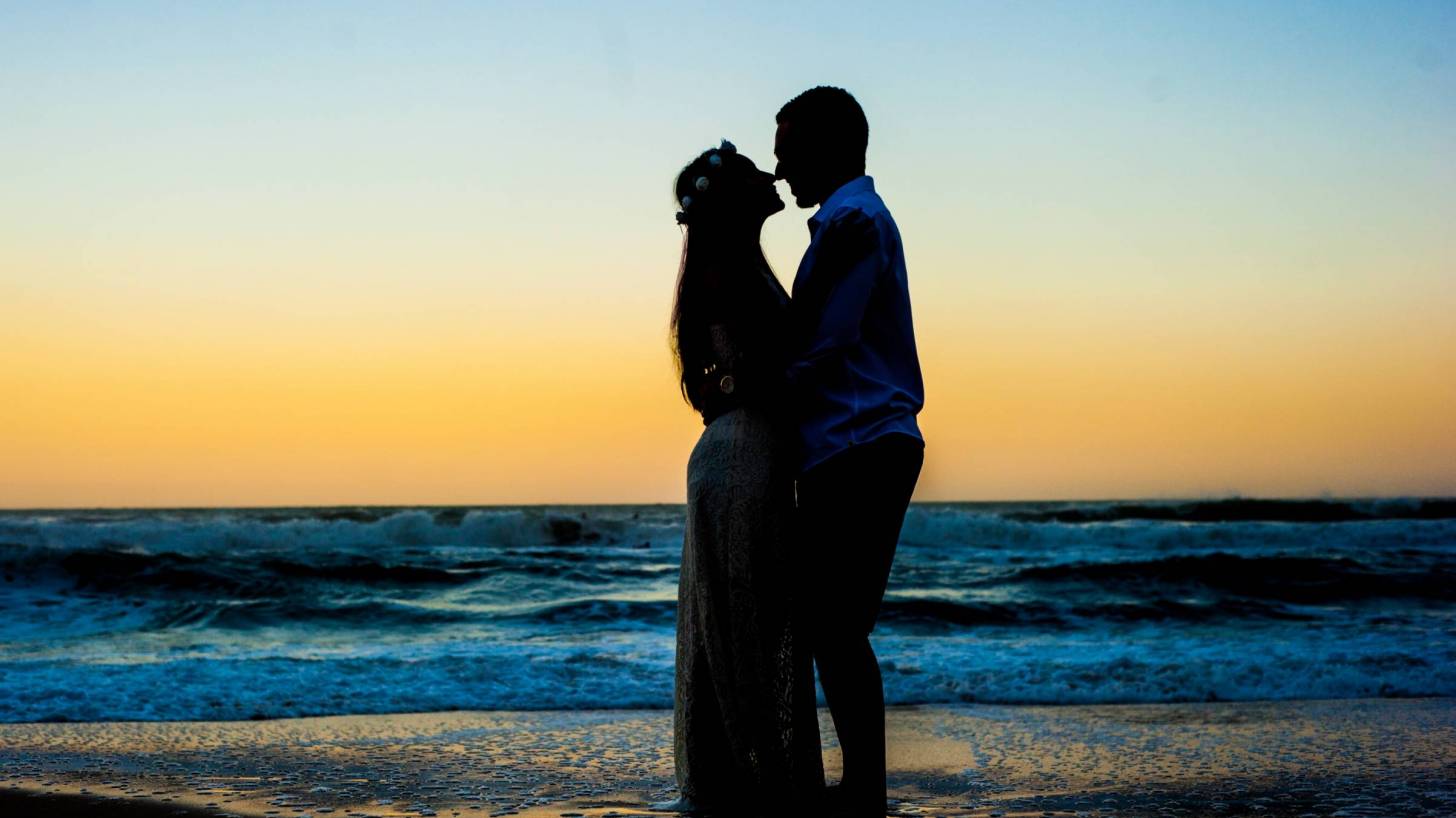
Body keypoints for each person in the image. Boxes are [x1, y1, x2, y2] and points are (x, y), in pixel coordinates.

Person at [655, 140, 824, 817]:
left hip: (739, 455)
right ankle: (760, 781)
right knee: (750, 622)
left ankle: (742, 779)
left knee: (743, 618)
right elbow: (758, 375)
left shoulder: (738, 268)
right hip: (742, 459)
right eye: (760, 171)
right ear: (734, 200)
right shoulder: (732, 273)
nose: (775, 173)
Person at [775, 86, 926, 818]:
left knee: (835, 624)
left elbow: (827, 341)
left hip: (862, 442)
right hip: (848, 444)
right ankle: (860, 785)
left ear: (830, 147)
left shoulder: (856, 222)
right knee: (828, 623)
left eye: (788, 149)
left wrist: (764, 394)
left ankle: (864, 789)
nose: (778, 167)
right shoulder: (844, 220)